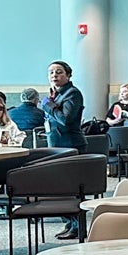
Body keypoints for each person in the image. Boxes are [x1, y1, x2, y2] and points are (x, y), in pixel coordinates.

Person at [42, 60, 86, 238]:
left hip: (70, 145)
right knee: (60, 188)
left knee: (72, 188)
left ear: (68, 75)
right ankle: (69, 223)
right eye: (51, 72)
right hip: (57, 145)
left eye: (59, 72)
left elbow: (65, 120)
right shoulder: (55, 94)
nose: (54, 75)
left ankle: (77, 227)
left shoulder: (72, 93)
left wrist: (48, 106)